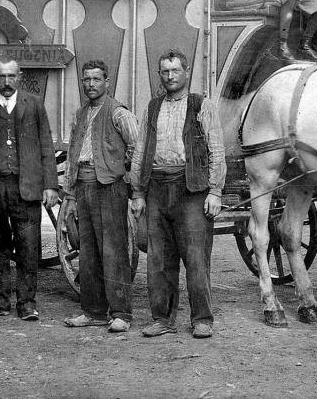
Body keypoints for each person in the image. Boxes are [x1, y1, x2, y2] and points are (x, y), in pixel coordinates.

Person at [129, 49, 226, 339]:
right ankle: (162, 318)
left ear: (186, 73)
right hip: (157, 188)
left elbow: (216, 150)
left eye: (175, 71)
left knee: (196, 258)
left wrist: (216, 191)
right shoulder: (153, 107)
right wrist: (138, 191)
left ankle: (201, 319)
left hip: (191, 189)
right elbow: (141, 150)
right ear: (160, 75)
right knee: (158, 260)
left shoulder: (202, 106)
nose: (170, 76)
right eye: (164, 71)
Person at [0, 58, 58, 321]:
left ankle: (27, 304)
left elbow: (46, 147)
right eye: (1, 76)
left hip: (25, 186)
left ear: (20, 76)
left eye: (11, 76)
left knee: (29, 245)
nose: (6, 82)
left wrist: (50, 185)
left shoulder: (34, 105)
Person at [61, 60, 139, 333]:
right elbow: (72, 157)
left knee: (114, 250)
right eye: (86, 80)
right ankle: (93, 311)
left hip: (109, 187)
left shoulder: (118, 113)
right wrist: (70, 195)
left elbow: (137, 145)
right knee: (88, 251)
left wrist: (122, 171)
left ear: (107, 81)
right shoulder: (81, 114)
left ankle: (121, 313)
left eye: (96, 79)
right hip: (83, 186)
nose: (90, 84)